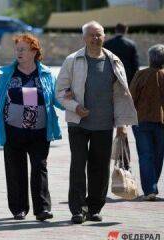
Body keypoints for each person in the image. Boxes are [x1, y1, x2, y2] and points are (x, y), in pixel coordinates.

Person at [55, 21, 138, 224]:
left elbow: (121, 96)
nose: (95, 38)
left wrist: (122, 125)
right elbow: (60, 92)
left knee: (99, 168)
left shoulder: (114, 61)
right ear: (84, 38)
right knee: (78, 166)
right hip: (78, 124)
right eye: (91, 35)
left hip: (104, 124)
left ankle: (94, 208)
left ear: (104, 36)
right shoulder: (73, 60)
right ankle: (77, 210)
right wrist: (75, 107)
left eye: (99, 35)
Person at [0, 33, 64, 221]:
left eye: (22, 49)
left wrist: (71, 103)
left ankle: (42, 209)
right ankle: (19, 209)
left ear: (34, 51)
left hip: (39, 131)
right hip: (13, 130)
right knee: (16, 170)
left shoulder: (45, 74)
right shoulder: (7, 73)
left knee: (39, 167)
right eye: (17, 49)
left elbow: (55, 99)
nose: (18, 52)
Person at [130, 44, 164, 201]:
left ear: (150, 58)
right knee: (158, 155)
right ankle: (152, 186)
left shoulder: (141, 74)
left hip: (141, 121)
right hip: (161, 122)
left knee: (145, 155)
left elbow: (131, 97)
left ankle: (150, 189)